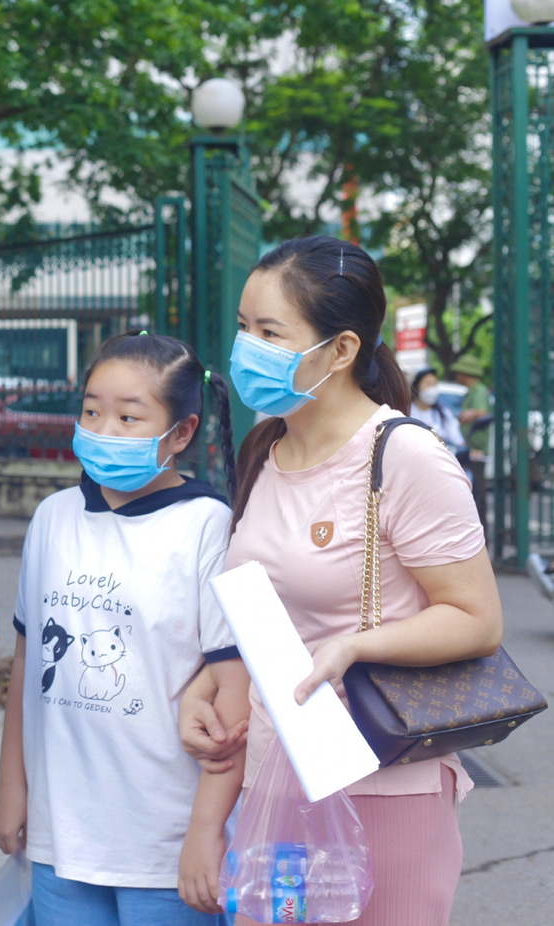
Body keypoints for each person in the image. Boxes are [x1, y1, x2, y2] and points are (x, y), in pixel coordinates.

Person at [179, 236, 503, 925]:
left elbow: (477, 618)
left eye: (270, 331)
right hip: (276, 783)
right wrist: (203, 687)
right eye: (243, 327)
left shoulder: (406, 456)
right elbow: (264, 608)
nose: (247, 348)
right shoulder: (265, 445)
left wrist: (357, 645)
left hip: (382, 785)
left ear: (342, 349)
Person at [0, 332, 246, 926]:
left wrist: (206, 832)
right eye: (91, 410)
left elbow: (235, 694)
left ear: (181, 433)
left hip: (165, 845)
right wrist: (12, 788)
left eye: (129, 417)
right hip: (61, 837)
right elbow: (28, 665)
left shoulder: (210, 527)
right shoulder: (53, 518)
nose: (103, 429)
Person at [452, 353, 491, 538]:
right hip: (467, 448)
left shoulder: (479, 391)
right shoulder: (470, 392)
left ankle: (481, 538)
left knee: (477, 496)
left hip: (477, 450)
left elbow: (483, 412)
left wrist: (472, 414)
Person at [406, 366, 464, 450]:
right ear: (416, 386)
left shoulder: (443, 414)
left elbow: (457, 440)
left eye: (435, 384)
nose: (432, 389)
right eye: (428, 384)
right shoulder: (406, 412)